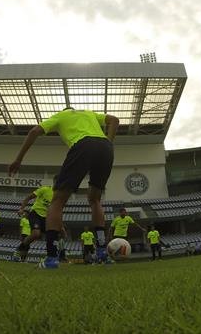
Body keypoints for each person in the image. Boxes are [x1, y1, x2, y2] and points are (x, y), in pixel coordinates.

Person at [8, 106, 120, 269]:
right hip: (105, 148)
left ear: (66, 110)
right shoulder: (89, 113)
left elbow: (34, 131)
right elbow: (114, 120)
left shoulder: (61, 116)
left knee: (58, 201)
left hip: (83, 145)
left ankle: (52, 258)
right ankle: (102, 253)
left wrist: (18, 160)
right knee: (95, 199)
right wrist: (109, 143)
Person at [14, 178, 55, 262]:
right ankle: (19, 248)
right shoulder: (45, 189)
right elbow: (28, 197)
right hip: (35, 213)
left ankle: (51, 257)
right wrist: (22, 209)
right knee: (36, 234)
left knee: (51, 235)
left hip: (46, 217)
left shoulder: (58, 195)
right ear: (55, 182)